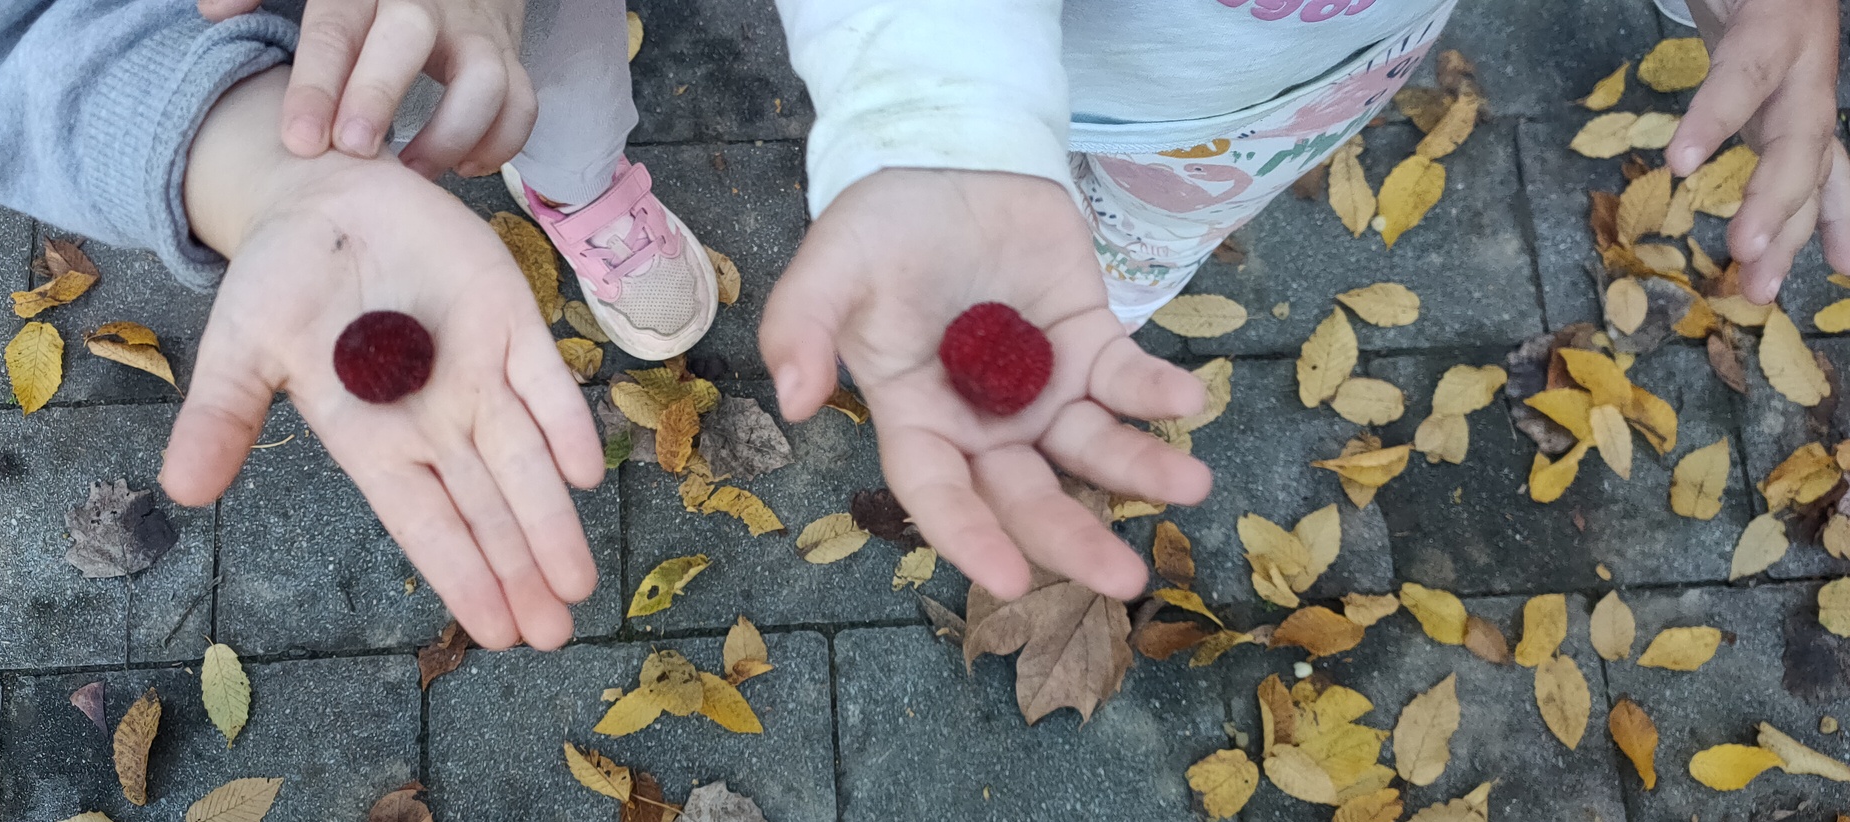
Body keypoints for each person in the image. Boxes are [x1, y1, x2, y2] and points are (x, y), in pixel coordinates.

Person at [752, 0, 1850, 602]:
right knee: (1067, 249)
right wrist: (929, 121)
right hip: (993, 75)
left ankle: (1114, 292)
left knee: (1131, 250)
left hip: (1272, 106)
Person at [0, 0, 727, 652]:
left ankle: (577, 184)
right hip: (265, 75)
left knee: (561, 95)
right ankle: (372, 163)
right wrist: (258, 167)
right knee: (399, 121)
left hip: (530, 20)